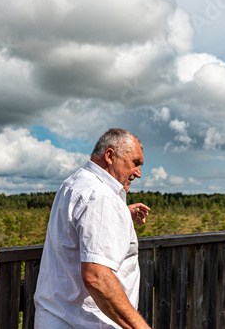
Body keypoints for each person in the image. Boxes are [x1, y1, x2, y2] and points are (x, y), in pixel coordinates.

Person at [34, 128, 151, 328]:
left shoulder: (74, 183)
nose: (138, 173)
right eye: (136, 163)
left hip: (55, 317)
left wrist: (120, 213)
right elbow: (97, 277)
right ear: (110, 155)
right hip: (87, 323)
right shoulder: (102, 197)